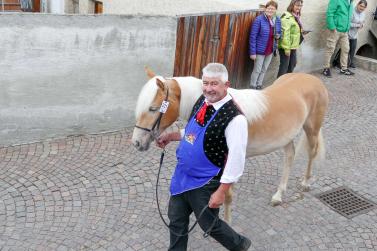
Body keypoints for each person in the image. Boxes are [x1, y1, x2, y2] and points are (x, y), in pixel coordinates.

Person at [157, 63, 251, 251]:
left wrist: (221, 191)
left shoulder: (235, 119)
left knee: (209, 225)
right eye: (205, 83)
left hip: (206, 182)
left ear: (226, 85)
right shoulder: (203, 100)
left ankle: (240, 245)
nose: (209, 88)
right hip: (183, 176)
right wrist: (172, 136)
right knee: (176, 220)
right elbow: (194, 131)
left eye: (214, 84)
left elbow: (236, 159)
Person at [249, 1, 281, 89]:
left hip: (270, 49)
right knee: (257, 70)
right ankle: (252, 86)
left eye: (273, 9)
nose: (270, 10)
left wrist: (278, 36)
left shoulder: (277, 19)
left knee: (264, 69)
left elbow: (279, 32)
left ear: (275, 10)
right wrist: (252, 52)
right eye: (269, 8)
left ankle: (259, 85)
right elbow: (253, 36)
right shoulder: (259, 19)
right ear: (265, 8)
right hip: (260, 50)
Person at [322, 0, 354, 77]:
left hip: (345, 31)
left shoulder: (351, 2)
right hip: (335, 30)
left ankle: (343, 68)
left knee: (346, 49)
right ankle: (326, 68)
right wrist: (332, 27)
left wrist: (347, 27)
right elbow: (330, 13)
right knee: (330, 49)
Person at [277, 0, 307, 78]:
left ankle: (286, 82)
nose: (299, 7)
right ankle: (278, 86)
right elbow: (285, 34)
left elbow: (293, 31)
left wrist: (302, 31)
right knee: (284, 66)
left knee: (292, 64)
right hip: (286, 46)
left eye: (300, 6)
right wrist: (287, 49)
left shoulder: (295, 16)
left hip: (293, 46)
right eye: (297, 5)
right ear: (292, 5)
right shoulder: (287, 17)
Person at [348, 0, 367, 68]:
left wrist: (362, 25)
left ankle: (350, 62)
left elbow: (363, 22)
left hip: (355, 34)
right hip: (347, 33)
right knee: (346, 49)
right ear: (358, 5)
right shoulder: (352, 11)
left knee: (353, 49)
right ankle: (339, 63)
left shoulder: (363, 13)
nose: (362, 8)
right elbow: (348, 23)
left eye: (363, 7)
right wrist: (357, 25)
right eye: (361, 6)